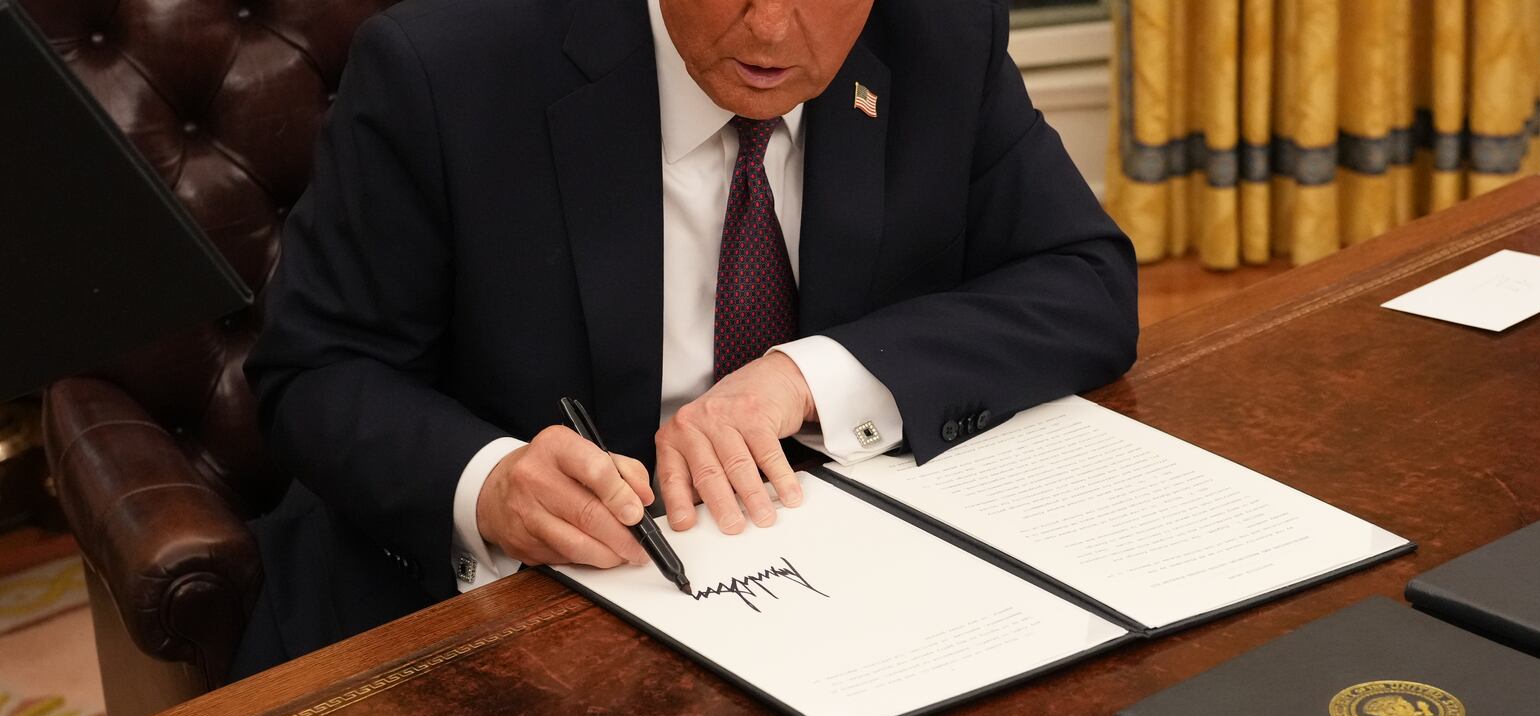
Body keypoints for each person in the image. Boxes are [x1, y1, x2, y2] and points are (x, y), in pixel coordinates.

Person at [234, 0, 1138, 677]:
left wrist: (807, 377)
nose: (773, 30)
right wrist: (492, 483)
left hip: (831, 607)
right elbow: (316, 368)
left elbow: (1086, 280)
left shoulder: (940, 32)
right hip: (504, 630)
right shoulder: (447, 65)